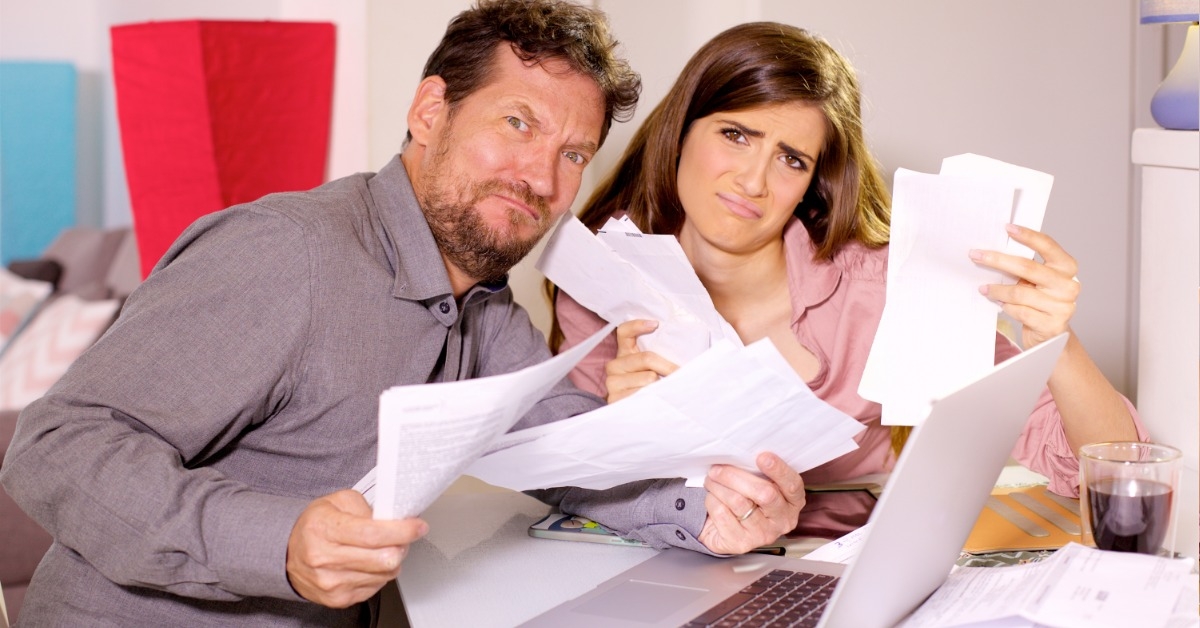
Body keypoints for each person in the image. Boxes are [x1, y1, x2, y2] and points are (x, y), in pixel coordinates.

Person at [0, 1, 639, 625]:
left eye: (574, 154)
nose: (541, 178)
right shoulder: (285, 252)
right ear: (429, 112)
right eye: (518, 124)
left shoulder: (486, 304)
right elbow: (55, 445)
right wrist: (280, 543)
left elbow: (563, 448)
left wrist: (708, 509)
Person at [536, 22, 1146, 557]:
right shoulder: (601, 280)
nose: (752, 180)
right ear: (681, 133)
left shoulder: (881, 291)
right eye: (735, 134)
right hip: (672, 560)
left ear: (813, 184)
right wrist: (620, 428)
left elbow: (1111, 466)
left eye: (791, 159)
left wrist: (1056, 342)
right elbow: (579, 485)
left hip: (852, 564)